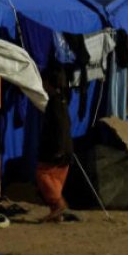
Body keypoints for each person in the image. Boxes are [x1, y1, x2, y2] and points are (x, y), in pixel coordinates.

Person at [37, 65, 73, 223]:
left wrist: (59, 148)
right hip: (66, 148)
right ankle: (57, 214)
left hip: (56, 149)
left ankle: (59, 205)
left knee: (43, 175)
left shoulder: (55, 103)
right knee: (56, 180)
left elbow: (60, 126)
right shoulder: (63, 100)